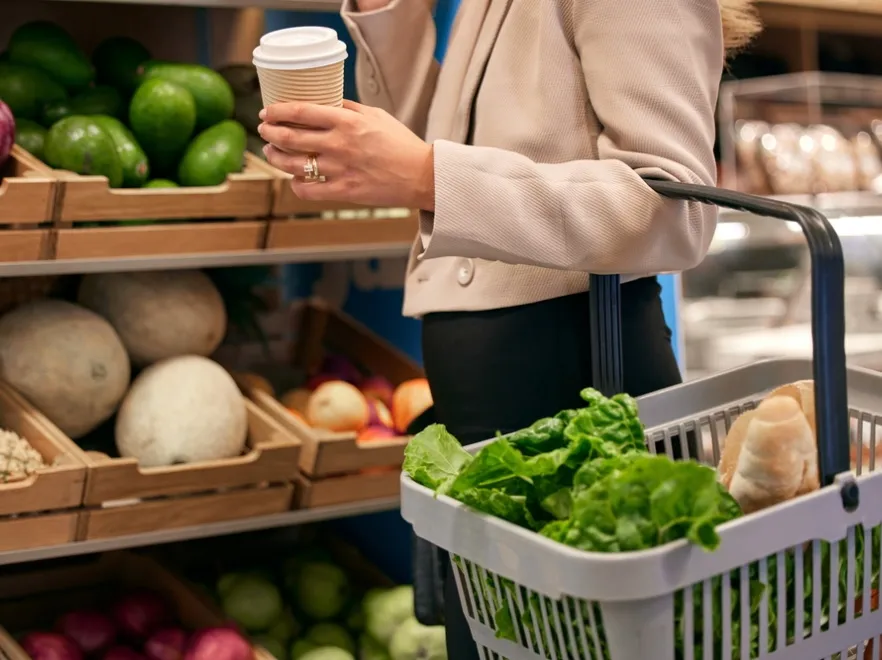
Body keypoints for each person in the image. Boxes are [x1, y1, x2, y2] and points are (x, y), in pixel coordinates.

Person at [257, 0, 762, 656]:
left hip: (578, 403)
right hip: (500, 414)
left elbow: (672, 208)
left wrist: (424, 173)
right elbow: (448, 153)